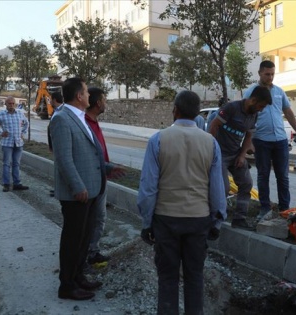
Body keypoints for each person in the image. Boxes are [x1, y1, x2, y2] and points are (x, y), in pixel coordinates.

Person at [137, 90, 226, 315]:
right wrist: (217, 221)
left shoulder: (158, 139)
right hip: (198, 220)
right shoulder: (211, 143)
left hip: (166, 220)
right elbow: (217, 189)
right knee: (195, 277)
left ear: (174, 110)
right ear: (198, 113)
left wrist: (147, 222)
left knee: (167, 279)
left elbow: (148, 188)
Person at [50, 77, 124, 301]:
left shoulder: (80, 118)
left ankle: (78, 276)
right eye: (86, 91)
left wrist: (108, 166)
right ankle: (67, 286)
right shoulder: (62, 118)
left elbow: (89, 153)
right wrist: (78, 186)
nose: (90, 95)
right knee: (73, 240)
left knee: (83, 239)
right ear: (79, 96)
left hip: (92, 190)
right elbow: (63, 159)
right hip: (78, 194)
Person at [243, 60, 296, 220]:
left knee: (283, 176)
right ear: (259, 73)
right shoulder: (250, 92)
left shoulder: (279, 92)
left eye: (272, 74)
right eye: (267, 74)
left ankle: (285, 209)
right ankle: (265, 208)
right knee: (263, 174)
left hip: (280, 140)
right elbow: (246, 116)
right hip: (261, 140)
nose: (270, 77)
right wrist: (247, 142)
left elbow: (289, 112)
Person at [209, 86, 272, 231]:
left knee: (246, 184)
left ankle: (239, 219)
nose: (261, 110)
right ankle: (215, 219)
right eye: (260, 106)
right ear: (253, 100)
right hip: (220, 155)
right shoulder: (231, 108)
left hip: (235, 153)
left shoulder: (253, 115)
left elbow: (249, 135)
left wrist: (242, 155)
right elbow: (214, 126)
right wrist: (213, 151)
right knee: (222, 188)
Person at [85, 87, 112, 267]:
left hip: (102, 176)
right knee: (88, 219)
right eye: (104, 100)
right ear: (97, 103)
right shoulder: (83, 123)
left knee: (99, 217)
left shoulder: (94, 121)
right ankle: (83, 255)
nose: (105, 103)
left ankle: (93, 251)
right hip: (89, 179)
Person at [0, 96, 29, 192]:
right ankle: (6, 184)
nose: (11, 105)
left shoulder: (20, 113)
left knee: (16, 164)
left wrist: (23, 133)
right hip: (7, 143)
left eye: (13, 103)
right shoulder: (1, 114)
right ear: (5, 104)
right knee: (6, 164)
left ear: (15, 104)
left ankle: (17, 183)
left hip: (18, 143)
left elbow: (26, 123)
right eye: (9, 103)